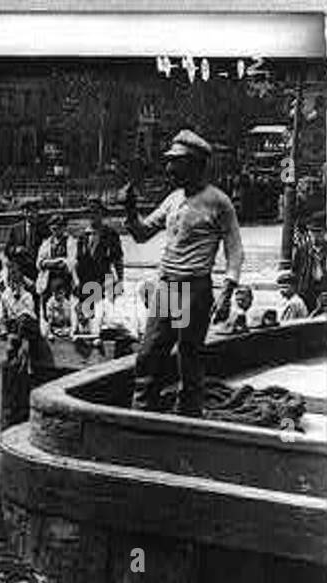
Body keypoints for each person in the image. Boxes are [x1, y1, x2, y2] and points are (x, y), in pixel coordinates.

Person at [122, 128, 244, 416]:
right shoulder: (173, 199)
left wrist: (227, 291)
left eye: (176, 163)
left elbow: (235, 251)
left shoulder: (219, 202)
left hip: (193, 288)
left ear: (196, 165)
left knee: (188, 356)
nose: (169, 169)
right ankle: (142, 411)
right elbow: (141, 234)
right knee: (150, 351)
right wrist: (130, 209)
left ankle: (188, 414)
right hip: (168, 286)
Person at [75, 199, 125, 330]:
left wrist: (120, 280)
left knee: (105, 313)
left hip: (105, 278)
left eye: (96, 212)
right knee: (87, 315)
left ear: (102, 214)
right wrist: (76, 281)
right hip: (86, 279)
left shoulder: (110, 234)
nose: (93, 216)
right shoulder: (82, 236)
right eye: (90, 213)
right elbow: (77, 261)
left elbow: (118, 259)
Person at [5, 200, 45, 309]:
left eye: (34, 211)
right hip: (21, 270)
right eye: (28, 211)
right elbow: (7, 250)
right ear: (23, 213)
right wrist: (16, 250)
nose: (31, 214)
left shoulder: (43, 229)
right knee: (20, 300)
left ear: (37, 212)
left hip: (37, 270)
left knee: (36, 301)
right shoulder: (15, 229)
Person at [36, 213, 77, 311]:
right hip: (48, 280)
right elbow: (39, 263)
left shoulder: (70, 241)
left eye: (58, 228)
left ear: (63, 228)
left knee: (65, 307)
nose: (55, 231)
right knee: (46, 306)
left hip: (64, 281)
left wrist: (49, 263)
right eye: (53, 229)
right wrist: (57, 262)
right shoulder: (47, 243)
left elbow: (70, 263)